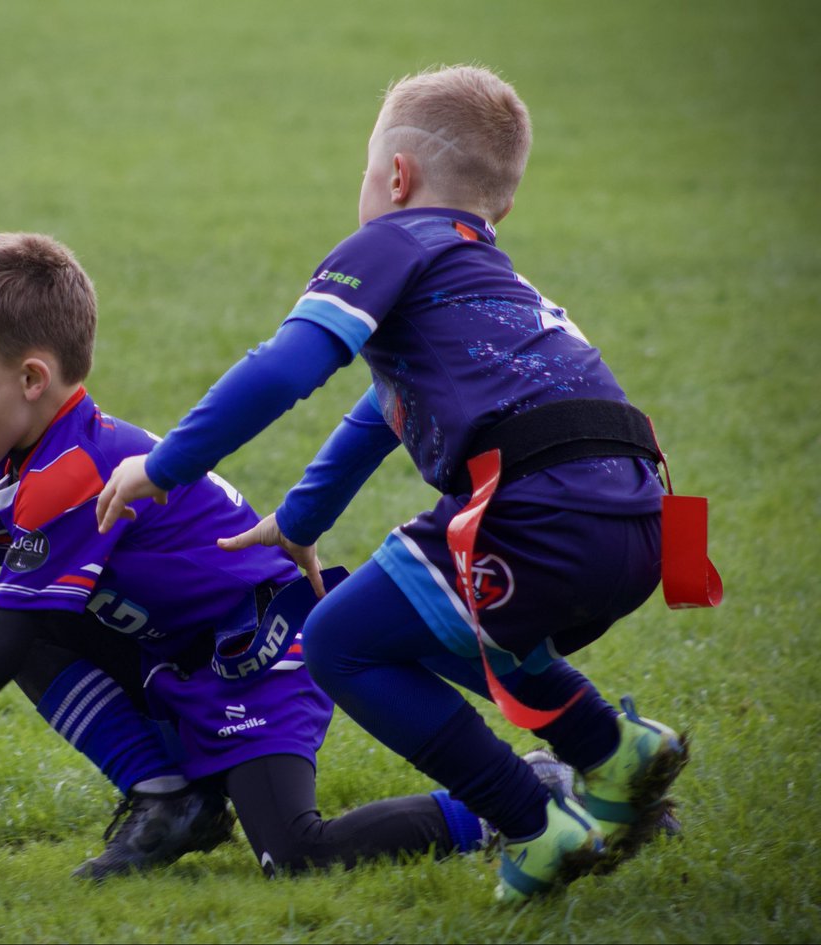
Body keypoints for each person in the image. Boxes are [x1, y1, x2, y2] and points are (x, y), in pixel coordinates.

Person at [0, 231, 547, 882]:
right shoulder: (13, 467)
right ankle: (171, 800)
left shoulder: (69, 473)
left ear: (32, 378)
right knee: (37, 624)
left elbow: (1, 640)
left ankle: (531, 794)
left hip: (258, 655)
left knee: (294, 851)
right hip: (173, 657)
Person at [95, 65, 690, 902]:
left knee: (340, 641)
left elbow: (282, 371)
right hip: (643, 517)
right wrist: (300, 519)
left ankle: (534, 823)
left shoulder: (393, 242)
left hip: (539, 510)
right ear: (501, 205)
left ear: (398, 177)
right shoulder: (494, 284)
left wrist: (161, 467)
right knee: (456, 625)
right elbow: (381, 415)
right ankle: (618, 751)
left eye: (369, 173)